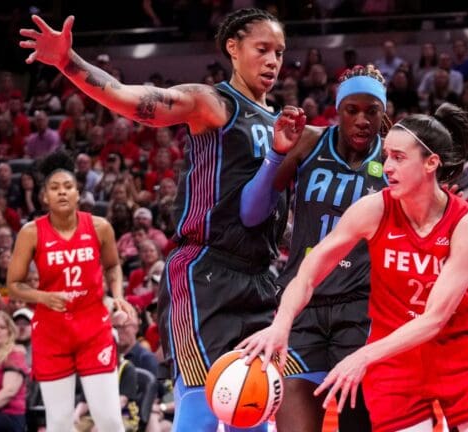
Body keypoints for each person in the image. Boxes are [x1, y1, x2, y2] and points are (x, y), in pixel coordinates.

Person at [19, 8, 304, 431]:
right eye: (261, 49)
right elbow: (127, 98)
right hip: (206, 271)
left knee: (253, 403)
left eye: (279, 53)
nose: (272, 61)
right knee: (203, 402)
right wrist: (68, 61)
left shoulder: (279, 122)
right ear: (233, 48)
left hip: (261, 275)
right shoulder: (213, 103)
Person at [239, 103, 468, 431]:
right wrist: (281, 323)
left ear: (431, 163)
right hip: (395, 359)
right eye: (386, 156)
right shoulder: (373, 209)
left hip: (458, 353)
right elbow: (311, 268)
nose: (387, 167)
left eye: (399, 157)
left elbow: (434, 319)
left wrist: (362, 356)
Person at [260, 65, 390, 431]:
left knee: (357, 425)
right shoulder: (311, 141)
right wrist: (288, 235)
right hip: (302, 304)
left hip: (362, 309)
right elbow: (263, 196)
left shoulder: (393, 158)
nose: (362, 119)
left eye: (372, 111)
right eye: (352, 110)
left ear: (384, 113)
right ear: (337, 109)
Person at [6, 152, 135, 432]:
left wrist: (118, 294)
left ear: (78, 193)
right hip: (52, 331)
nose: (62, 192)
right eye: (54, 188)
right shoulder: (31, 232)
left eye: (68, 186)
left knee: (111, 420)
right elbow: (13, 284)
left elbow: (113, 266)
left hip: (93, 328)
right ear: (44, 198)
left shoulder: (100, 227)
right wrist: (43, 297)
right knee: (60, 423)